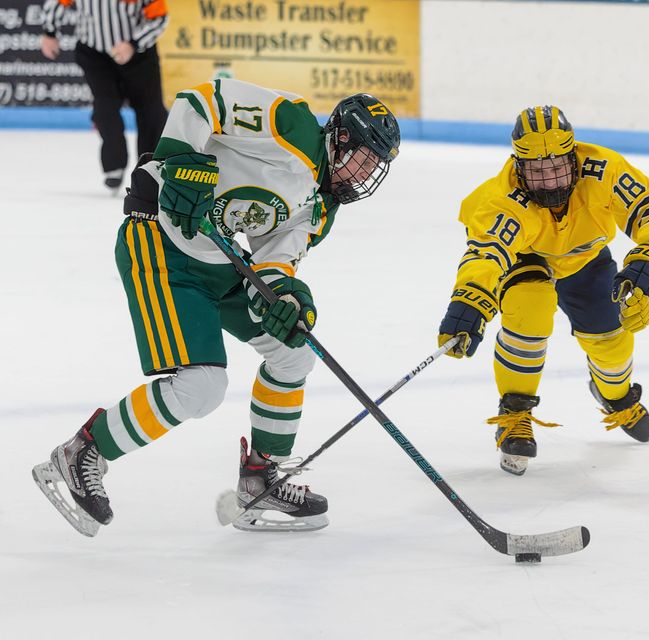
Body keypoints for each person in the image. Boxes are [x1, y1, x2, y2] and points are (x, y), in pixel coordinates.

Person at [32, 79, 401, 536]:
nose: (364, 175)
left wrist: (286, 299)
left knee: (294, 351)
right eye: (363, 160)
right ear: (341, 138)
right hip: (160, 243)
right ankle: (84, 451)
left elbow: (274, 259)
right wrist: (180, 161)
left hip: (220, 255)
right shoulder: (293, 127)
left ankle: (258, 478)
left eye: (374, 168)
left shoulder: (322, 206)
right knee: (202, 386)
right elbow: (202, 101)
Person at [437, 105, 649, 476]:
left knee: (611, 339)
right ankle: (515, 412)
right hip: (526, 256)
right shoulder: (502, 200)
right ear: (519, 166)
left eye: (556, 168)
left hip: (584, 257)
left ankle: (615, 396)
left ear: (573, 157)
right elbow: (486, 256)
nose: (550, 181)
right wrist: (470, 298)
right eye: (537, 171)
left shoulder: (603, 169)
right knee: (530, 310)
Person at [41, 0, 170, 192]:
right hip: (94, 53)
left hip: (139, 54)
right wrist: (50, 33)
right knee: (105, 108)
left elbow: (159, 17)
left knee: (150, 111)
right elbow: (58, 3)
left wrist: (133, 44)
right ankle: (114, 165)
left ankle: (150, 170)